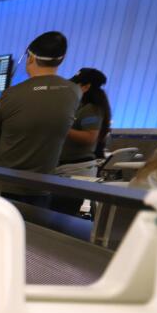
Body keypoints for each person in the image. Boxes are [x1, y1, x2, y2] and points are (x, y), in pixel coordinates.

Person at [0, 31, 79, 206]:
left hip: (4, 185)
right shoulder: (74, 92)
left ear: (30, 58)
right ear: (61, 59)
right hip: (42, 186)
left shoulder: (13, 93)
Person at [51, 67, 112, 214]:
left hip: (75, 169)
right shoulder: (80, 106)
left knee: (61, 213)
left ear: (86, 86)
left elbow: (90, 137)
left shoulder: (91, 109)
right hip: (67, 168)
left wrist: (61, 128)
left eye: (76, 85)